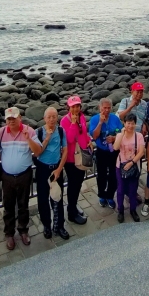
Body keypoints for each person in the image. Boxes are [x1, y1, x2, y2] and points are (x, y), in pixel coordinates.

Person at [0, 107, 42, 250]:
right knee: (8, 205)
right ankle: (9, 233)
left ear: (20, 118)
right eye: (9, 119)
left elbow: (38, 151)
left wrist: (28, 139)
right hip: (7, 176)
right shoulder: (1, 133)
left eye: (14, 118)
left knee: (23, 205)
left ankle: (23, 230)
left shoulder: (30, 131)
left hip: (24, 175)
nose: (11, 121)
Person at [34, 107, 69, 240]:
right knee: (43, 199)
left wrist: (59, 169)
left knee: (58, 197)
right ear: (44, 118)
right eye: (49, 117)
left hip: (56, 167)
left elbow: (65, 150)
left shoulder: (61, 131)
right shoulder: (39, 132)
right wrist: (47, 138)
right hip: (43, 168)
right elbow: (38, 153)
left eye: (54, 116)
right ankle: (47, 225)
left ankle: (60, 225)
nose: (52, 119)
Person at [60, 96, 90, 226]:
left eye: (77, 106)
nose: (76, 109)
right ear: (68, 107)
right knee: (73, 185)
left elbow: (83, 132)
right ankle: (71, 213)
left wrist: (88, 140)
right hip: (71, 160)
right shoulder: (64, 121)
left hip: (81, 155)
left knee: (78, 184)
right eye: (73, 106)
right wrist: (72, 123)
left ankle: (73, 206)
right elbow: (69, 139)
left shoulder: (81, 116)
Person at [88, 98, 123, 209]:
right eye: (104, 108)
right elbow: (94, 136)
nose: (107, 110)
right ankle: (102, 195)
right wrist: (100, 122)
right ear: (100, 108)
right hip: (101, 151)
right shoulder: (94, 119)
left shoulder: (115, 118)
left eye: (109, 108)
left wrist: (114, 137)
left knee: (114, 175)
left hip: (114, 152)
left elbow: (121, 131)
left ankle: (110, 196)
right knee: (101, 175)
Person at [113, 113, 145, 223]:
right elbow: (115, 147)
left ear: (135, 124)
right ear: (124, 123)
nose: (130, 126)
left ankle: (133, 210)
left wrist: (132, 162)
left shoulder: (139, 136)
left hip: (133, 165)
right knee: (121, 189)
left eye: (132, 123)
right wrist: (121, 134)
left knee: (133, 189)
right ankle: (120, 210)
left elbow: (141, 152)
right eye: (128, 123)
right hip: (120, 166)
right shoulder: (119, 135)